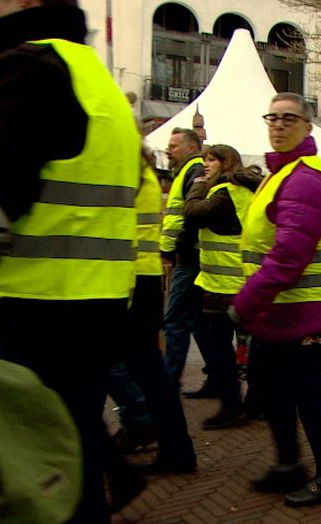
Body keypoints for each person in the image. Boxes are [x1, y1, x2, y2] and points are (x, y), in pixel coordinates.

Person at [0, 0, 141, 522]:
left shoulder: (26, 65)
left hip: (35, 300)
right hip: (97, 297)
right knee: (68, 449)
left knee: (40, 460)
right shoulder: (96, 79)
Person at [231, 93, 321, 507]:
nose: (279, 125)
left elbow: (289, 254)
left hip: (306, 310)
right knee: (270, 387)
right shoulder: (280, 172)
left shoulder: (304, 178)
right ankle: (289, 463)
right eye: (273, 117)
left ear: (308, 127)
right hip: (281, 309)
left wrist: (246, 302)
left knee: (305, 390)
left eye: (290, 118)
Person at [120, 149, 197, 475]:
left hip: (128, 280)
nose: (170, 147)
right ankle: (166, 441)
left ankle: (140, 424)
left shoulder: (131, 169)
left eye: (176, 142)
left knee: (132, 367)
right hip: (141, 276)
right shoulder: (147, 172)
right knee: (146, 368)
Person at [182, 144, 263, 429]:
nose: (206, 164)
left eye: (212, 159)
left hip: (227, 283)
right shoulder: (241, 190)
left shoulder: (222, 192)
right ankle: (254, 402)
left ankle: (233, 404)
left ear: (226, 163)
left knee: (218, 343)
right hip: (238, 280)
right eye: (205, 159)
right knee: (245, 343)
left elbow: (192, 213)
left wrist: (197, 186)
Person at [160, 126, 207, 390]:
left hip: (188, 258)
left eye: (174, 145)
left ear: (191, 147)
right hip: (188, 257)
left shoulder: (193, 171)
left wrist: (176, 246)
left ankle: (167, 383)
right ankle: (220, 379)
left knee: (176, 321)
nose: (169, 149)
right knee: (199, 323)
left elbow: (189, 216)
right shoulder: (185, 172)